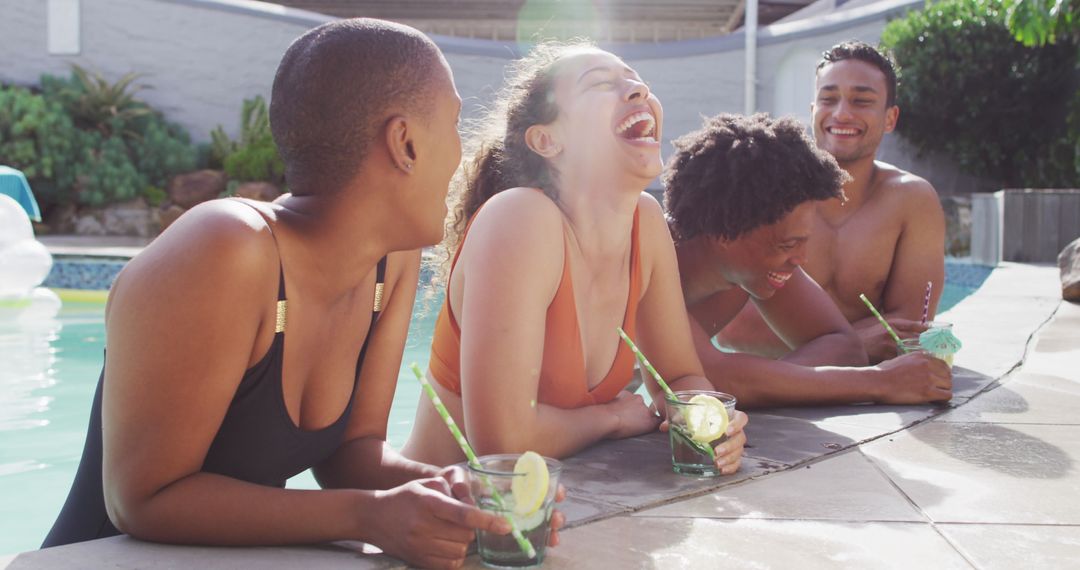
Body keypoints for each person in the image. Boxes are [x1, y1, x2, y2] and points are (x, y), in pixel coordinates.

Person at [42, 20, 559, 569]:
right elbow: (141, 500)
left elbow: (351, 455)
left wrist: (457, 496)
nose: (462, 156)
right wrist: (368, 516)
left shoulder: (392, 259)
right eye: (455, 125)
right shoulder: (223, 250)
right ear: (404, 142)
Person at [401, 42, 748, 474]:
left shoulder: (645, 220)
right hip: (449, 520)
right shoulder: (519, 219)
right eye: (601, 84)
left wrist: (710, 419)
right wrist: (613, 417)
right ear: (547, 139)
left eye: (638, 81)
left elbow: (677, 378)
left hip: (562, 514)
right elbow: (502, 445)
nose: (638, 90)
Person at [666, 113, 952, 407]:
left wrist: (769, 384)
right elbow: (708, 381)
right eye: (789, 244)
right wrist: (879, 380)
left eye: (804, 241)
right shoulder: (646, 253)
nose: (800, 258)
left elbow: (844, 346)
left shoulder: (750, 271)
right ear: (724, 232)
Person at [717, 41, 947, 364]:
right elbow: (732, 328)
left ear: (890, 117)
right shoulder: (766, 193)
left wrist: (819, 348)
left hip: (849, 393)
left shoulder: (912, 201)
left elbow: (908, 328)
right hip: (769, 391)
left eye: (862, 101)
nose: (842, 113)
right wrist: (854, 344)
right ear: (813, 110)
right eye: (828, 99)